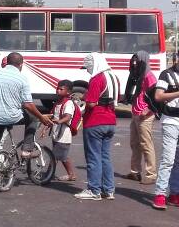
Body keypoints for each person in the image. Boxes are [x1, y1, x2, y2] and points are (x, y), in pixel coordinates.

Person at [0, 52, 53, 179]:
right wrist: (42, 117)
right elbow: (28, 105)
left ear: (7, 62)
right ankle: (26, 149)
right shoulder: (22, 78)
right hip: (11, 116)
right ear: (21, 64)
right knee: (33, 117)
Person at [75, 52, 121, 201]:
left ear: (94, 64)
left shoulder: (96, 79)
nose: (87, 70)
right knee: (105, 157)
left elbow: (92, 103)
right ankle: (109, 190)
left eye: (88, 67)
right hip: (110, 121)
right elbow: (112, 98)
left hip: (95, 122)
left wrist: (82, 100)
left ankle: (94, 190)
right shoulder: (114, 77)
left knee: (93, 157)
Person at [123, 51, 158, 184]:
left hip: (145, 115)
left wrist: (148, 110)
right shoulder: (138, 75)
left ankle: (151, 174)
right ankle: (135, 172)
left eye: (137, 60)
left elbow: (157, 98)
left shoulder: (149, 76)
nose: (134, 62)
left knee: (146, 144)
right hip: (136, 113)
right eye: (133, 60)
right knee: (134, 144)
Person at [151, 51, 179, 210]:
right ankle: (160, 194)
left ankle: (175, 193)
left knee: (178, 160)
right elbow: (158, 96)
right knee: (168, 159)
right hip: (171, 120)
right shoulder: (166, 74)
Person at [41, 79, 78, 182]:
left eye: (61, 89)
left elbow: (68, 117)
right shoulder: (57, 103)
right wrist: (45, 128)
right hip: (56, 133)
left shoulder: (69, 103)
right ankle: (70, 174)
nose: (58, 90)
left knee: (56, 156)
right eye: (57, 88)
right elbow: (53, 117)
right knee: (61, 156)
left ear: (68, 92)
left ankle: (49, 174)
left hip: (64, 134)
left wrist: (59, 121)